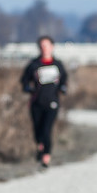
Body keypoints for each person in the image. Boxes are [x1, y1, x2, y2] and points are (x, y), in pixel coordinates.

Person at [20, 36, 68, 167]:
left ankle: (46, 157)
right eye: (42, 46)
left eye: (47, 45)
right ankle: (40, 147)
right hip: (36, 102)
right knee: (37, 131)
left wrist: (63, 88)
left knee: (46, 130)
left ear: (52, 47)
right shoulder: (34, 64)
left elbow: (64, 79)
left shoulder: (58, 64)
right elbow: (24, 80)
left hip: (52, 102)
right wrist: (27, 88)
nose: (44, 48)